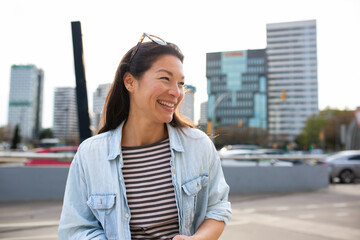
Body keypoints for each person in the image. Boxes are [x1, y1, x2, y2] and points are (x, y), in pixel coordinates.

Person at [58, 33, 231, 240]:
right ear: (130, 82)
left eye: (181, 83)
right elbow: (75, 230)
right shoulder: (90, 154)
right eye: (165, 79)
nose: (176, 92)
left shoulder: (198, 144)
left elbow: (217, 207)